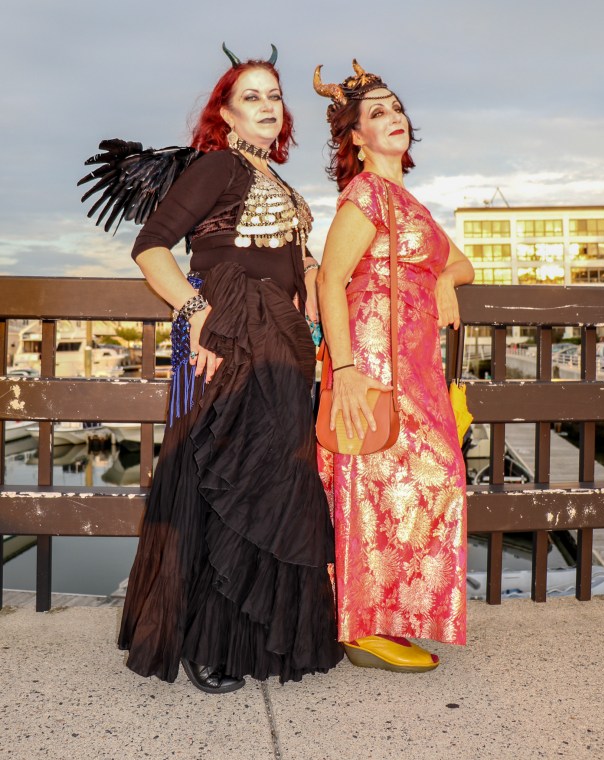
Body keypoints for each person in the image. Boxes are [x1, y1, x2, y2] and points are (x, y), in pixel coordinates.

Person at [105, 45, 342, 693]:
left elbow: (297, 261)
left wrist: (319, 292)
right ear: (227, 115)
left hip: (283, 338)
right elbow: (150, 248)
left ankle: (253, 634)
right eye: (251, 97)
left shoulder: (276, 180)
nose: (267, 106)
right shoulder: (217, 166)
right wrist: (198, 313)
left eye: (274, 95)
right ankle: (205, 641)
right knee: (230, 479)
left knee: (273, 477)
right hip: (232, 332)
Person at [314, 60, 474, 672]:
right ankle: (361, 626)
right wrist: (346, 370)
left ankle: (388, 617)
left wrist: (444, 282)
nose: (394, 117)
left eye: (397, 107)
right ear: (357, 137)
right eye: (377, 112)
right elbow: (330, 280)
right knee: (371, 480)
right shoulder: (366, 194)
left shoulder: (410, 202)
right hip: (372, 359)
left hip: (417, 364)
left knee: (432, 479)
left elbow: (462, 263)